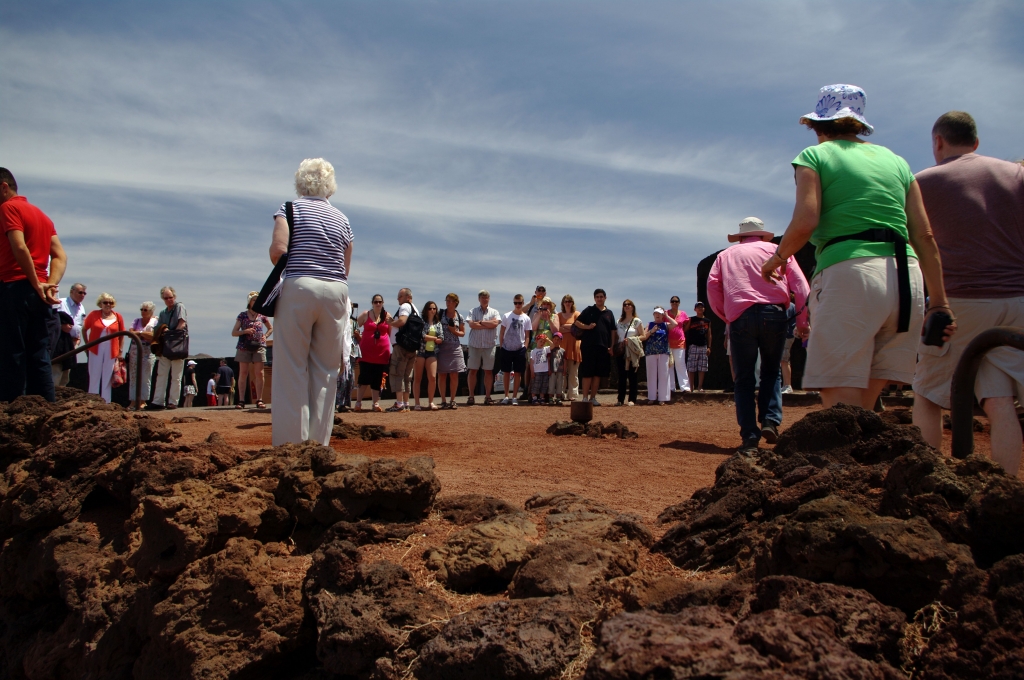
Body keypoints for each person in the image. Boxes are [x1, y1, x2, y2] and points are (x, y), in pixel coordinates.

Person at [762, 84, 952, 412]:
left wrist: (778, 258)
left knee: (840, 404)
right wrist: (940, 303)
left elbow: (806, 220)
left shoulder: (815, 156)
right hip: (907, 281)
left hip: (850, 273)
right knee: (865, 406)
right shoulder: (897, 162)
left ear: (818, 125)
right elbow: (924, 236)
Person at [912, 111, 1024, 475]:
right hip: (1017, 302)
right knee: (999, 399)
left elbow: (916, 241)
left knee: (927, 392)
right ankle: (1006, 487)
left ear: (938, 141)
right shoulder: (1016, 175)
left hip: (959, 302)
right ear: (975, 142)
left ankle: (925, 480)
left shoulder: (921, 182)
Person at [269, 158, 354, 445]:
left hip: (300, 286)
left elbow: (278, 251)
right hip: (336, 291)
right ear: (330, 186)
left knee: (291, 367)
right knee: (327, 371)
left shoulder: (289, 209)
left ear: (300, 182)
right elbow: (345, 266)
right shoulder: (342, 219)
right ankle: (318, 446)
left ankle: (291, 445)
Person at [709, 217, 810, 450]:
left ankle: (749, 435)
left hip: (740, 316)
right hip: (774, 314)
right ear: (763, 235)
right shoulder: (777, 251)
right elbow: (801, 286)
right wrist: (802, 321)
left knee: (743, 378)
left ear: (740, 237)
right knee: (771, 371)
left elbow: (713, 287)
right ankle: (770, 421)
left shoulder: (725, 255)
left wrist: (727, 316)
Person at [0, 167, 67, 403]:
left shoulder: (8, 208)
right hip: (39, 294)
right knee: (39, 355)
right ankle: (46, 409)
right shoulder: (42, 216)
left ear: (4, 187)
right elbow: (60, 255)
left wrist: (35, 282)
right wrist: (49, 284)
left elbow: (19, 246)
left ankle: (10, 410)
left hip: (13, 286)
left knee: (11, 352)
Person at [574, 289, 617, 406]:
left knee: (597, 374)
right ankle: (585, 398)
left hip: (603, 347)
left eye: (601, 296)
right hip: (588, 346)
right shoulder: (589, 310)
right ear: (594, 298)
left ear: (605, 298)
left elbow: (613, 330)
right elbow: (577, 322)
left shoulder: (609, 313)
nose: (599, 299)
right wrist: (587, 327)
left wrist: (612, 345)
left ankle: (593, 398)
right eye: (597, 297)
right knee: (587, 373)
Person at [231, 291, 273, 409]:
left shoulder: (262, 315)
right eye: (254, 300)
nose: (256, 302)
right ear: (249, 302)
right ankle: (241, 400)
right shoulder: (242, 315)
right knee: (243, 372)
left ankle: (259, 399)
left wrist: (266, 336)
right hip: (244, 346)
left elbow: (270, 328)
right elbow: (234, 332)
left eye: (258, 300)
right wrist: (245, 331)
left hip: (259, 346)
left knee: (259, 373)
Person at [82, 293, 125, 403]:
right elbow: (84, 329)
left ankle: (106, 402)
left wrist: (120, 350)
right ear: (100, 304)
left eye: (110, 302)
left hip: (111, 350)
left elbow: (122, 335)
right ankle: (92, 401)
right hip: (95, 349)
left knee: (107, 377)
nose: (108, 304)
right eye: (105, 302)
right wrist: (87, 345)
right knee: (94, 375)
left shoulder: (118, 316)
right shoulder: (93, 314)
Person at [151, 286, 188, 410]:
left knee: (176, 376)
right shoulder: (163, 313)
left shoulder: (179, 307)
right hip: (165, 346)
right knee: (161, 374)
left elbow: (182, 323)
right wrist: (164, 330)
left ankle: (173, 401)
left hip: (177, 344)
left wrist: (171, 335)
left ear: (174, 297)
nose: (169, 300)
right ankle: (158, 401)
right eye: (166, 298)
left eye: (170, 297)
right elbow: (159, 326)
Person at [355, 294, 391, 413]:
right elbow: (354, 325)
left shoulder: (387, 316)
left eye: (380, 302)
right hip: (366, 352)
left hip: (381, 353)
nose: (378, 304)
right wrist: (357, 336)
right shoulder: (366, 314)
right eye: (376, 302)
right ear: (372, 303)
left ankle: (375, 403)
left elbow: (391, 332)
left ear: (383, 303)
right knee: (363, 377)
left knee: (377, 378)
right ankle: (358, 403)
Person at [466, 289, 501, 405]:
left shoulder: (495, 312)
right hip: (474, 345)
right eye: (482, 297)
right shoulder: (473, 311)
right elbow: (471, 324)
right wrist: (487, 324)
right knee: (472, 370)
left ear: (489, 299)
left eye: (486, 297)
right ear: (479, 299)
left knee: (488, 371)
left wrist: (480, 323)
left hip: (489, 345)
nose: (484, 299)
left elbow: (495, 324)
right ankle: (471, 396)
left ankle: (488, 396)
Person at [388, 288, 419, 413]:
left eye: (400, 296)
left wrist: (391, 322)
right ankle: (406, 403)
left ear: (408, 297)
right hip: (412, 347)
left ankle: (399, 404)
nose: (398, 299)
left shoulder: (405, 306)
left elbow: (402, 321)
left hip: (401, 347)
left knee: (397, 373)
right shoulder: (415, 309)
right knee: (407, 376)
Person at [499, 294, 532, 405]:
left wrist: (525, 347)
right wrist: (501, 345)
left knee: (518, 373)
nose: (518, 305)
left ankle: (514, 397)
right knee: (506, 372)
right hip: (506, 348)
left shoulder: (526, 318)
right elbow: (502, 332)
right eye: (515, 303)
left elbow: (527, 335)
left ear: (523, 303)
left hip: (520, 348)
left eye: (520, 303)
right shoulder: (507, 316)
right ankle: (506, 396)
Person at [641, 306, 677, 406]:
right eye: (656, 313)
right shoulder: (649, 324)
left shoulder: (666, 324)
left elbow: (675, 324)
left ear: (662, 315)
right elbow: (644, 337)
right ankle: (652, 397)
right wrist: (651, 331)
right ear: (653, 315)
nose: (657, 315)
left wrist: (667, 316)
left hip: (663, 352)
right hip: (651, 352)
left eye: (659, 314)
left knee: (664, 375)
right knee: (651, 375)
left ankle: (663, 398)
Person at [53, 282, 88, 387]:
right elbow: (51, 319)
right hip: (60, 340)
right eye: (80, 292)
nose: (82, 295)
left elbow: (79, 324)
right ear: (71, 292)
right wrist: (61, 326)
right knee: (56, 368)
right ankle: (52, 393)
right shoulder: (61, 303)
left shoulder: (81, 307)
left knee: (66, 372)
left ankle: (61, 392)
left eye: (84, 293)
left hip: (72, 342)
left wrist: (78, 339)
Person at [413, 301, 444, 411]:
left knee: (432, 377)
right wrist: (435, 338)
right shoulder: (421, 322)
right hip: (421, 352)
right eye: (430, 308)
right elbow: (422, 336)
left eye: (434, 308)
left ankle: (431, 402)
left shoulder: (438, 323)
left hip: (432, 352)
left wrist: (435, 339)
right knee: (417, 378)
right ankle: (417, 403)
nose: (432, 310)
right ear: (426, 310)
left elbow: (442, 337)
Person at [438, 293, 466, 409]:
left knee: (454, 375)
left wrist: (454, 331)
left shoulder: (459, 316)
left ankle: (452, 400)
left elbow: (463, 333)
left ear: (455, 303)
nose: (448, 303)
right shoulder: (440, 314)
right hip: (442, 347)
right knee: (442, 375)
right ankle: (443, 401)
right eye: (447, 300)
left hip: (455, 348)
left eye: (450, 301)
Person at [128, 300, 159, 407]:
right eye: (142, 309)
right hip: (135, 349)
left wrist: (139, 333)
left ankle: (142, 401)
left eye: (145, 310)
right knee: (133, 376)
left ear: (151, 311)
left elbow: (153, 336)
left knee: (146, 376)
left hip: (148, 350)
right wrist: (144, 334)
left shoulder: (155, 322)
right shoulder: (136, 321)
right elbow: (130, 333)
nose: (143, 311)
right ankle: (133, 401)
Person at [614, 300, 643, 406]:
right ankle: (620, 399)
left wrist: (632, 340)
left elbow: (643, 336)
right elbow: (616, 336)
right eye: (625, 305)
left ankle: (632, 399)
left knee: (632, 375)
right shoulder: (618, 321)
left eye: (629, 304)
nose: (627, 306)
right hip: (621, 350)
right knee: (621, 375)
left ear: (632, 307)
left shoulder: (637, 321)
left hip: (632, 350)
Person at [557, 295, 582, 401]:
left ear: (572, 303)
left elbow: (578, 328)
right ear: (563, 303)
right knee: (561, 373)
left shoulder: (577, 314)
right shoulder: (558, 315)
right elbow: (557, 329)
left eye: (570, 301)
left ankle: (573, 394)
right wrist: (571, 327)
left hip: (574, 347)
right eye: (566, 301)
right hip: (562, 347)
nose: (568, 303)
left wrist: (564, 327)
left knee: (573, 373)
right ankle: (561, 393)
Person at [685, 303, 712, 391]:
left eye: (701, 307)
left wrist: (709, 347)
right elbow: (685, 330)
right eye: (698, 307)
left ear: (704, 309)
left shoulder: (707, 321)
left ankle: (700, 386)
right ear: (695, 309)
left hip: (703, 345)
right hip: (693, 345)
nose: (700, 308)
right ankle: (691, 387)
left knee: (702, 367)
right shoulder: (691, 319)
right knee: (691, 367)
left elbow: (709, 334)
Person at [666, 296, 690, 393]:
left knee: (680, 363)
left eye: (676, 301)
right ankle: (671, 387)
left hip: (680, 341)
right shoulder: (666, 313)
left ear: (679, 303)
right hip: (668, 342)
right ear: (670, 303)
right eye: (673, 301)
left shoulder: (683, 313)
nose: (674, 303)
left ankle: (685, 387)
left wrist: (683, 331)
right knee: (670, 365)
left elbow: (688, 322)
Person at [529, 332, 551, 404]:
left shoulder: (546, 349)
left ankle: (542, 397)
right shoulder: (533, 351)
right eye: (540, 341)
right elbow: (531, 362)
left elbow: (553, 345)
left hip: (545, 370)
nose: (542, 343)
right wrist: (532, 372)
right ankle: (534, 397)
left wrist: (548, 340)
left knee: (544, 385)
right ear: (536, 341)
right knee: (536, 385)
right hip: (537, 371)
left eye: (543, 342)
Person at [547, 332, 566, 403]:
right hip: (552, 370)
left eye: (558, 339)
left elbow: (565, 361)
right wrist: (549, 369)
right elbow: (548, 360)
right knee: (551, 384)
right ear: (552, 340)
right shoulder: (550, 350)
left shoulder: (563, 351)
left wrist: (564, 370)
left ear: (561, 341)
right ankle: (550, 398)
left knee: (560, 384)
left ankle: (558, 397)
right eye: (555, 339)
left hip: (560, 370)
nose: (556, 341)